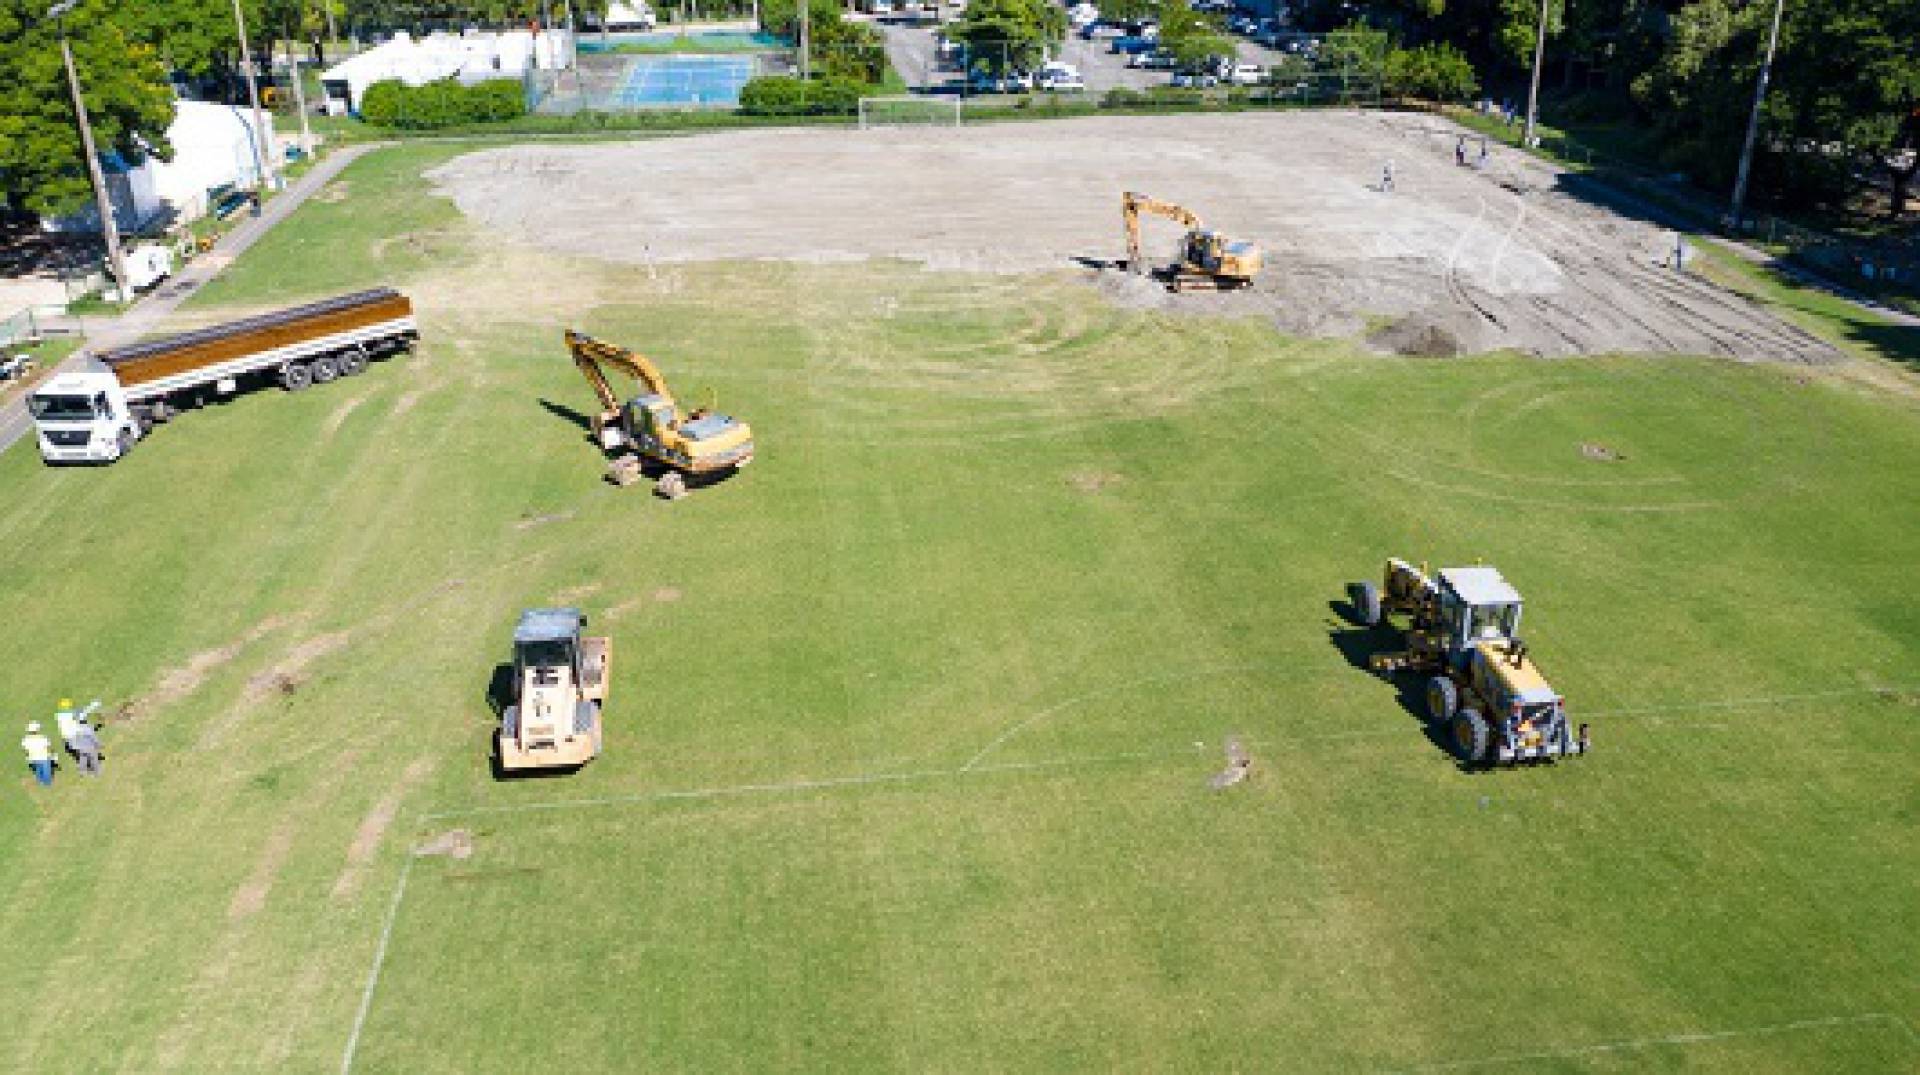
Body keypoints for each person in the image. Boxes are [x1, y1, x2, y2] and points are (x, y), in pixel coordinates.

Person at [21, 722, 54, 787]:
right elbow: (48, 747)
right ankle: (46, 783)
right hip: (44, 757)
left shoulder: (26, 739)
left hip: (34, 758)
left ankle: (41, 781)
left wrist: (28, 756)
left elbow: (25, 750)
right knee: (46, 772)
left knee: (38, 771)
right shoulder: (43, 737)